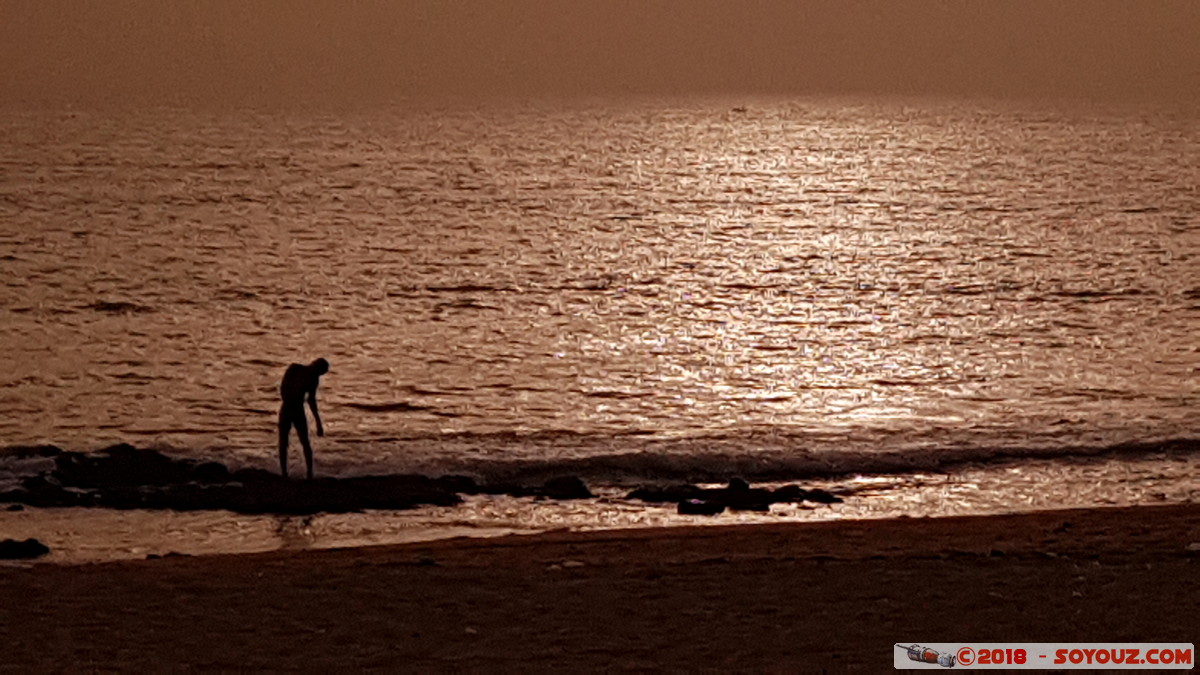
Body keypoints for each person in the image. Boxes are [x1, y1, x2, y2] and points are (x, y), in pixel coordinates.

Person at [278, 358, 329, 480]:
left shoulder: (313, 379)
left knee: (305, 441)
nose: (318, 375)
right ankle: (284, 473)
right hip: (287, 407)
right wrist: (290, 398)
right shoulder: (294, 368)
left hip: (298, 409)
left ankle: (309, 473)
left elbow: (311, 400)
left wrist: (318, 422)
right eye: (319, 372)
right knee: (283, 441)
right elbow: (283, 388)